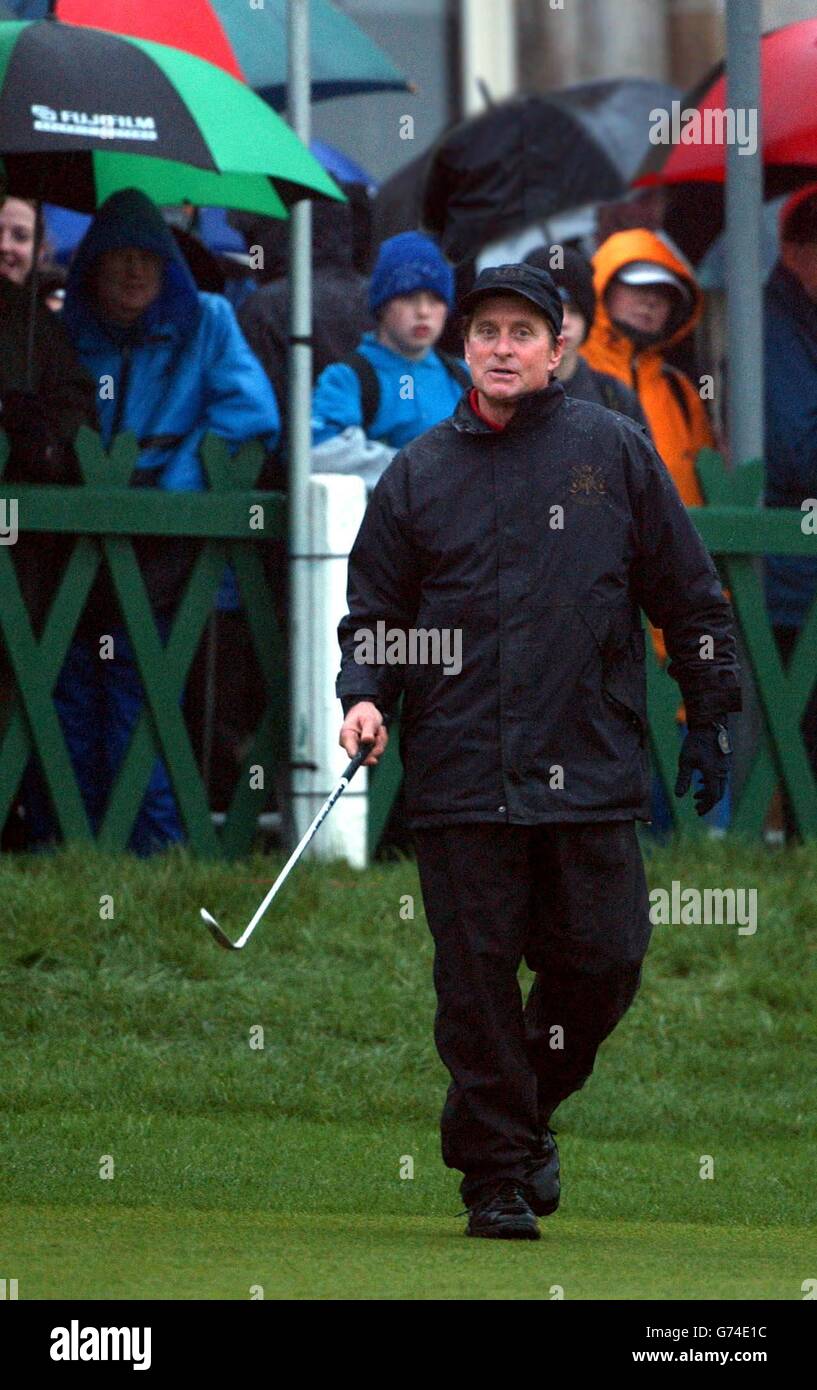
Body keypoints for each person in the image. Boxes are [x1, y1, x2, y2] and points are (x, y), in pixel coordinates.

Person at [336, 263, 741, 1239]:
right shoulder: (418, 471)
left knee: (604, 962)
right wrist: (362, 696)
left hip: (590, 761)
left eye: (524, 331)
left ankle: (508, 1115)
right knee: (473, 989)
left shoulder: (615, 451)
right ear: (461, 349)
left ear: (558, 345)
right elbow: (376, 615)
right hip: (461, 772)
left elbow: (686, 596)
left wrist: (711, 704)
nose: (504, 347)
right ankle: (498, 1181)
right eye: (487, 333)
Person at [26, 187, 280, 855]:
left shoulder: (211, 322)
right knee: (71, 684)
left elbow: (249, 417)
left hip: (168, 551)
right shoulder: (62, 334)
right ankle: (69, 846)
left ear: (168, 264)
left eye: (149, 256)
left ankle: (155, 852)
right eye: (118, 258)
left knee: (145, 690)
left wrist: (170, 494)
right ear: (92, 267)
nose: (134, 271)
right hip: (74, 543)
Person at [310, 231, 469, 490]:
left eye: (436, 299)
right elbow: (317, 451)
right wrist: (415, 469)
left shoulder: (464, 377)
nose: (423, 312)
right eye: (409, 297)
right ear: (382, 305)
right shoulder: (347, 377)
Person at [581, 229, 714, 505]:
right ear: (602, 286)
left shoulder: (680, 389)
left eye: (664, 294)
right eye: (638, 286)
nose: (651, 301)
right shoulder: (568, 372)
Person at [763, 184, 817, 837]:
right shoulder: (769, 324)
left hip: (795, 576)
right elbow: (796, 453)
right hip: (787, 582)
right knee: (797, 736)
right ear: (794, 251)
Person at [524, 244, 648, 430]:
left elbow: (644, 458)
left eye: (574, 311)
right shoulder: (499, 393)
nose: (563, 322)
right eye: (552, 310)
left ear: (587, 320)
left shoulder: (615, 396)